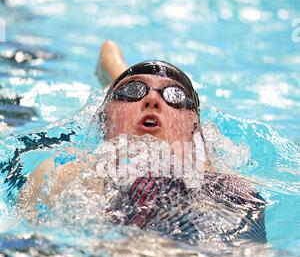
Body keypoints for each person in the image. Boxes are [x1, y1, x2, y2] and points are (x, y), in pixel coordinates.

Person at [17, 40, 266, 244]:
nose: (153, 101)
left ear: (195, 128)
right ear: (105, 118)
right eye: (132, 91)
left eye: (174, 96)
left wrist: (115, 68)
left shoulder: (218, 181)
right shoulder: (62, 173)